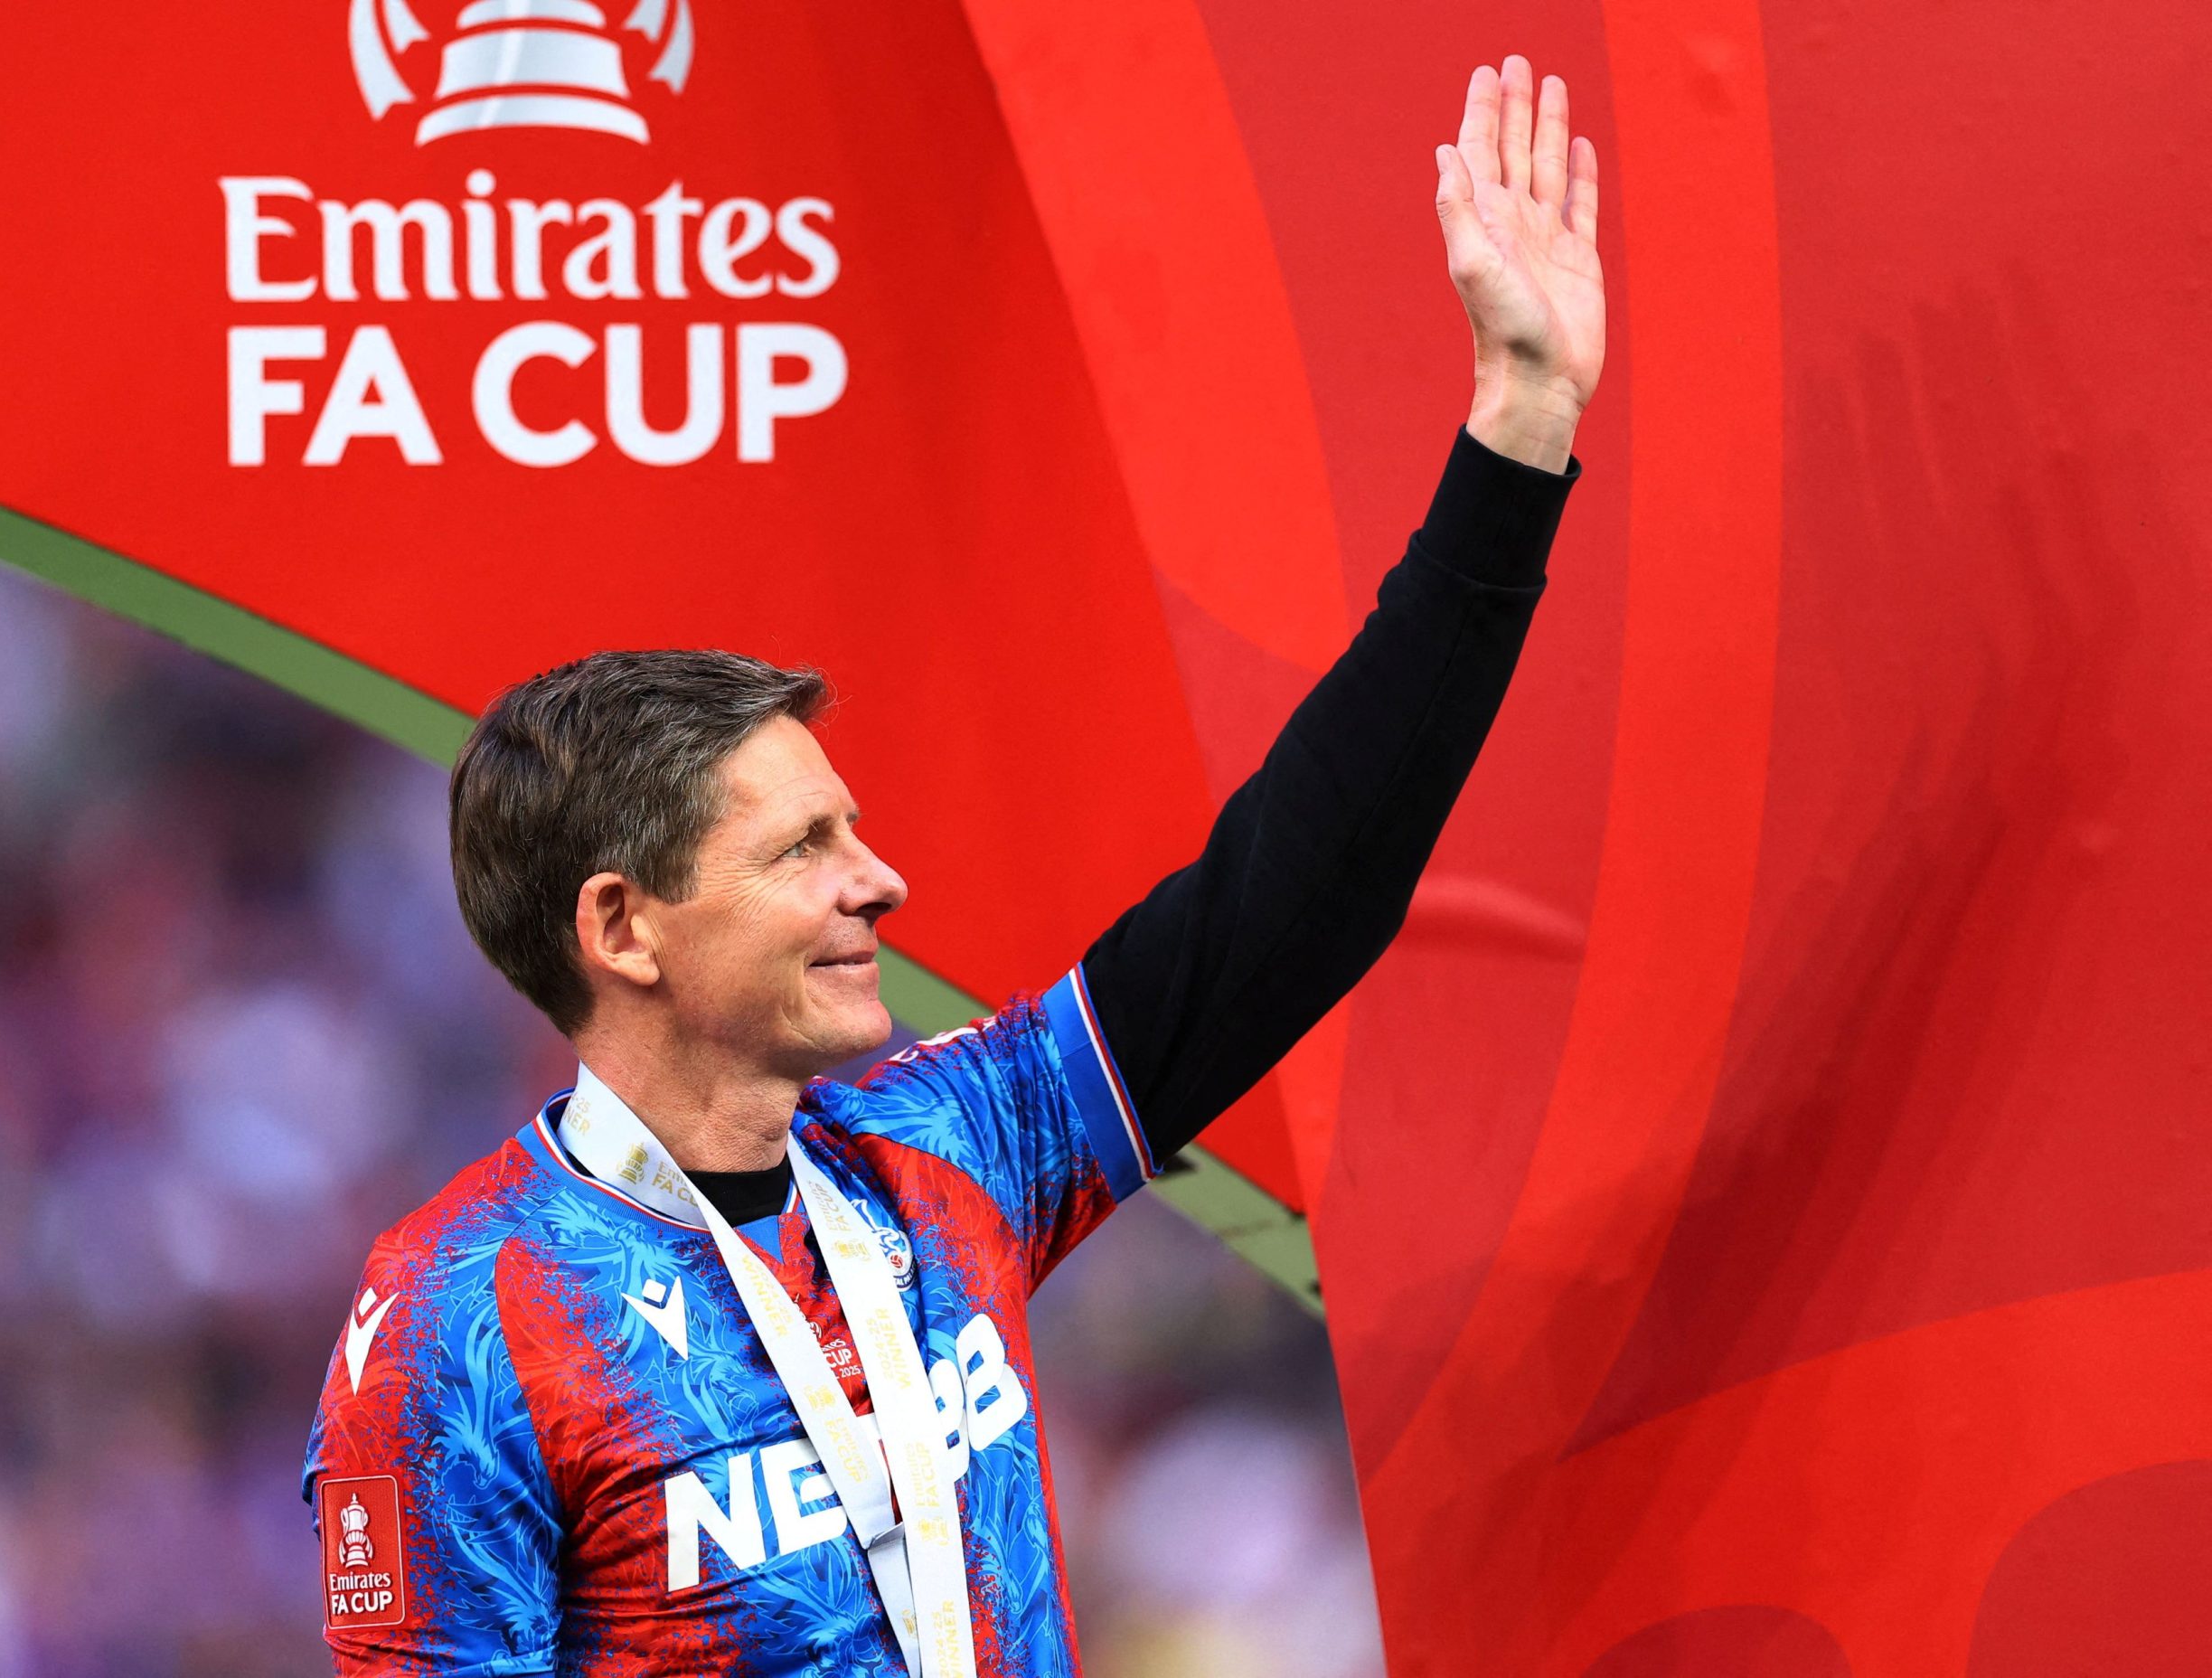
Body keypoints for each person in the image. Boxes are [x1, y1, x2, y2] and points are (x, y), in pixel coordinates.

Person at [304, 53, 1603, 1677]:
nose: (880, 883)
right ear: (623, 926)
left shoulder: (946, 1151)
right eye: (803, 847)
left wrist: (1519, 430)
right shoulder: (457, 1324)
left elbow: (1302, 890)